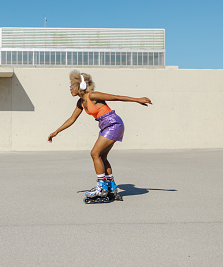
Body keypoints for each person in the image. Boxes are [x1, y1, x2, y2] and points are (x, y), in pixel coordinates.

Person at [48, 70, 152, 200]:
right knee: (102, 156)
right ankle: (111, 186)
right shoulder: (80, 102)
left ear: (80, 86)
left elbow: (115, 97)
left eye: (71, 86)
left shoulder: (93, 96)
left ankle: (101, 187)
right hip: (105, 126)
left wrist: (137, 100)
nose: (69, 89)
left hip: (113, 124)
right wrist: (56, 132)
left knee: (94, 153)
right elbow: (71, 119)